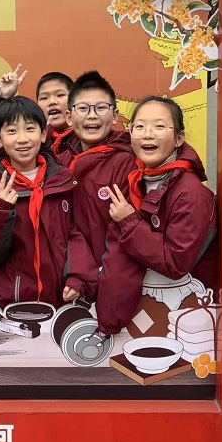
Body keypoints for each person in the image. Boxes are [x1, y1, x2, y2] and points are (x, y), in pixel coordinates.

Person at [0, 96, 97, 309]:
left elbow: (71, 233)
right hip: (8, 304)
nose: (22, 139)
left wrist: (77, 276)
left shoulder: (61, 180)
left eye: (29, 129)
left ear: (43, 134)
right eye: (11, 131)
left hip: (56, 301)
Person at [96, 95, 217, 334]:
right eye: (139, 127)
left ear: (179, 138)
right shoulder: (136, 178)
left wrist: (128, 221)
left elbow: (175, 262)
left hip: (182, 312)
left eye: (159, 127)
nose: (147, 134)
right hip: (138, 307)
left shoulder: (191, 194)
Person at [58, 70, 136, 283]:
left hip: (108, 276)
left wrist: (102, 279)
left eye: (101, 108)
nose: (92, 116)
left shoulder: (126, 161)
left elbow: (123, 235)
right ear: (68, 117)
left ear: (115, 115)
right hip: (67, 276)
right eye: (83, 108)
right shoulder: (59, 161)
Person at [35, 71, 77, 156]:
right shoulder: (34, 142)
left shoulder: (87, 138)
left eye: (60, 95)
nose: (52, 102)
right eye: (44, 98)